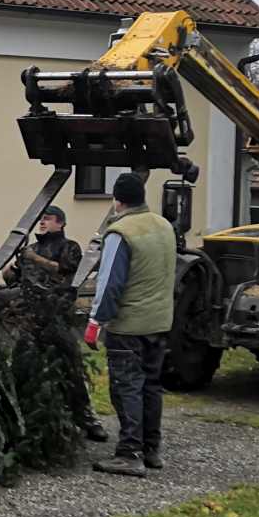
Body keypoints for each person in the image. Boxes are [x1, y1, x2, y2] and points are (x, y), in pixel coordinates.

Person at [86, 172, 177, 476]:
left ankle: (129, 453)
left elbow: (110, 282)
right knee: (152, 385)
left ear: (116, 200)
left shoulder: (120, 232)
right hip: (160, 322)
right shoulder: (164, 226)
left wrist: (95, 321)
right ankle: (151, 449)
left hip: (129, 326)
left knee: (127, 388)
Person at [4, 205, 109, 442]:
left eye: (48, 219)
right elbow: (15, 280)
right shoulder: (30, 249)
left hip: (57, 317)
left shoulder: (68, 247)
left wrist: (35, 259)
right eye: (41, 219)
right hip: (31, 319)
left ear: (60, 223)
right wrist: (10, 269)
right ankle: (18, 418)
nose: (42, 223)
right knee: (20, 368)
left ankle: (87, 419)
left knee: (71, 367)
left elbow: (66, 272)